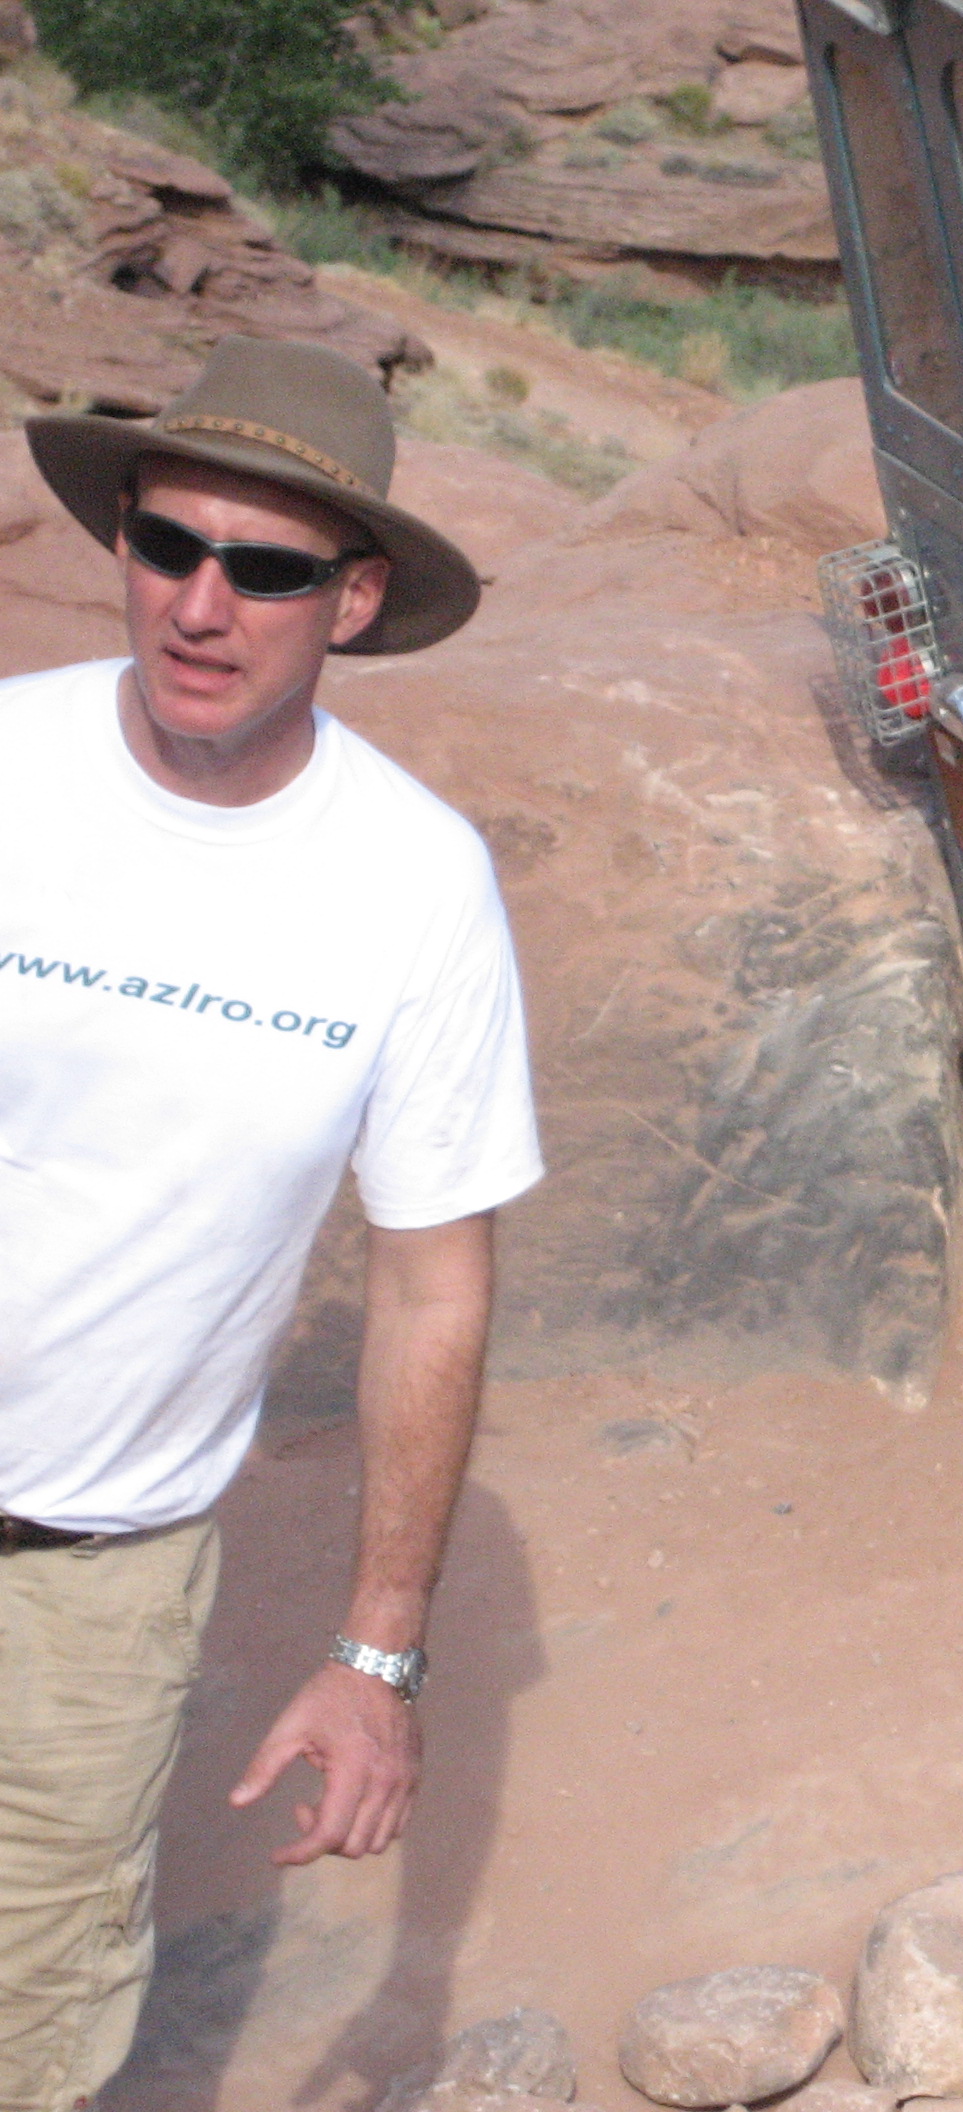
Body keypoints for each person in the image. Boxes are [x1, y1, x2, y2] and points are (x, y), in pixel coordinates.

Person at [0, 336, 543, 2110]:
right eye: (168, 546)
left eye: (266, 568)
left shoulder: (414, 885)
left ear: (354, 601)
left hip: (88, 1589)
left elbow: (433, 1291)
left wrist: (374, 1657)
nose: (201, 603)